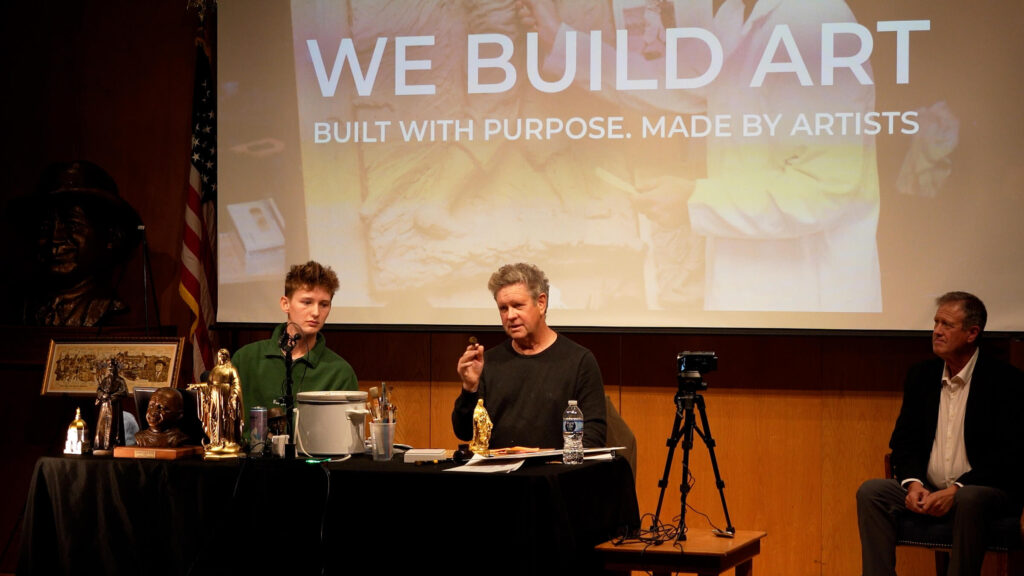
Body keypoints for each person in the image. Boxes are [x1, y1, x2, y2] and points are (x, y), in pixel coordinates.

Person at [525, 0, 881, 312]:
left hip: (810, 302)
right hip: (744, 296)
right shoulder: (733, 15)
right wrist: (562, 43)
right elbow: (672, 85)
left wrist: (694, 200)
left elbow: (823, 189)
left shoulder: (816, 19)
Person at [856, 292, 1024, 576]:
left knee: (969, 499)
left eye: (946, 324)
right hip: (928, 488)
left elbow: (1009, 455)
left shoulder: (1006, 381)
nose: (936, 331)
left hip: (984, 492)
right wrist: (913, 485)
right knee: (872, 492)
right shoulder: (921, 376)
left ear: (972, 333)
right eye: (935, 323)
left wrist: (955, 491)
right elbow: (904, 442)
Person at [452, 263, 606, 449]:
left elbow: (594, 437)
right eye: (503, 308)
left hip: (555, 474)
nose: (510, 315)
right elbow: (464, 433)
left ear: (541, 303)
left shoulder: (579, 361)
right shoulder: (489, 362)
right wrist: (469, 389)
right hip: (499, 475)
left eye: (518, 306)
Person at [14, 160, 143, 326]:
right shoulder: (22, 307)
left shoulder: (108, 310)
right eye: (45, 227)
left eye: (72, 225)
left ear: (111, 237)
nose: (55, 238)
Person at [231, 261, 358, 422]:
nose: (316, 312)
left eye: (324, 304)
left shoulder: (340, 372)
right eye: (307, 302)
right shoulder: (246, 359)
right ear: (285, 304)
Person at [190, 349, 244, 453]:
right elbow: (209, 385)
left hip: (226, 398)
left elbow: (236, 384)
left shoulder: (231, 369)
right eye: (220, 355)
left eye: (224, 355)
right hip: (214, 399)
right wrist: (197, 386)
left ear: (227, 356)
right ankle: (216, 441)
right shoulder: (215, 370)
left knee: (226, 419)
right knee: (214, 418)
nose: (222, 357)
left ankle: (228, 441)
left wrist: (233, 396)